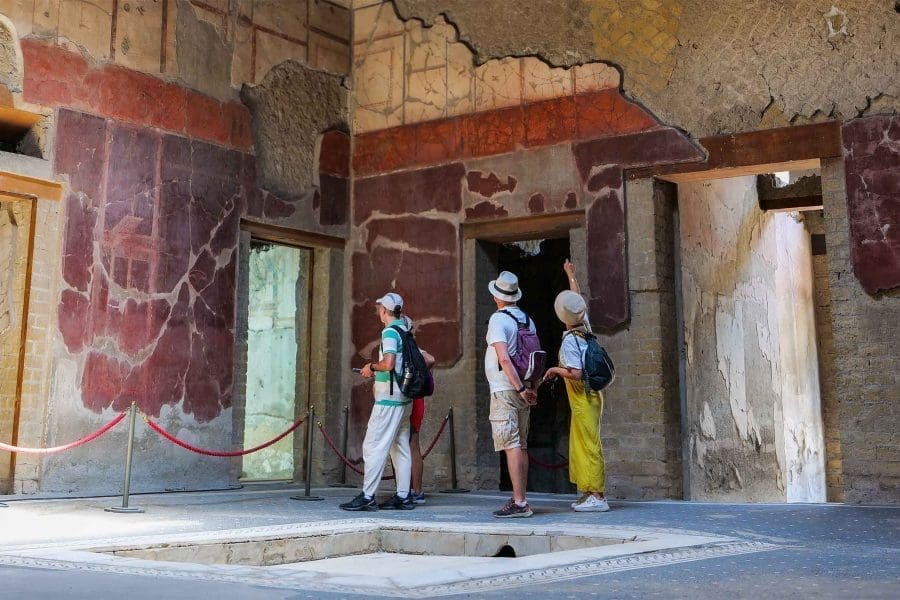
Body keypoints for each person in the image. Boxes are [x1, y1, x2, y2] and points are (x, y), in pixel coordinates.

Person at [541, 260, 609, 512]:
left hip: (583, 396)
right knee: (582, 442)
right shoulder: (585, 326)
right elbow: (577, 300)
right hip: (591, 395)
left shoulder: (570, 340)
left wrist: (554, 370)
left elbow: (576, 373)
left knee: (589, 443)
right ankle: (589, 490)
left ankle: (598, 496)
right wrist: (571, 275)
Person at [340, 292, 415, 511]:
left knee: (373, 445)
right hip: (404, 397)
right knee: (399, 445)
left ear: (384, 311)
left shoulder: (391, 331)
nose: (378, 311)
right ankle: (403, 495)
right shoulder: (405, 329)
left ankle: (367, 496)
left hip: (388, 400)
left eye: (380, 308)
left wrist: (371, 367)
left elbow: (389, 363)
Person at [485, 271, 538, 518]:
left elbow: (504, 358)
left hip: (506, 389)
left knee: (511, 444)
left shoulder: (498, 319)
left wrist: (518, 387)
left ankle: (519, 502)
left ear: (498, 297)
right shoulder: (527, 319)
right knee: (521, 444)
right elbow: (535, 357)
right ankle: (521, 496)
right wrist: (530, 387)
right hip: (524, 388)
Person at [401, 315, 435, 504]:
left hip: (411, 399)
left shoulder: (410, 348)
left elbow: (430, 359)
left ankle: (414, 490)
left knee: (411, 444)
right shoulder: (413, 348)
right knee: (411, 444)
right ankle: (413, 490)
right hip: (417, 399)